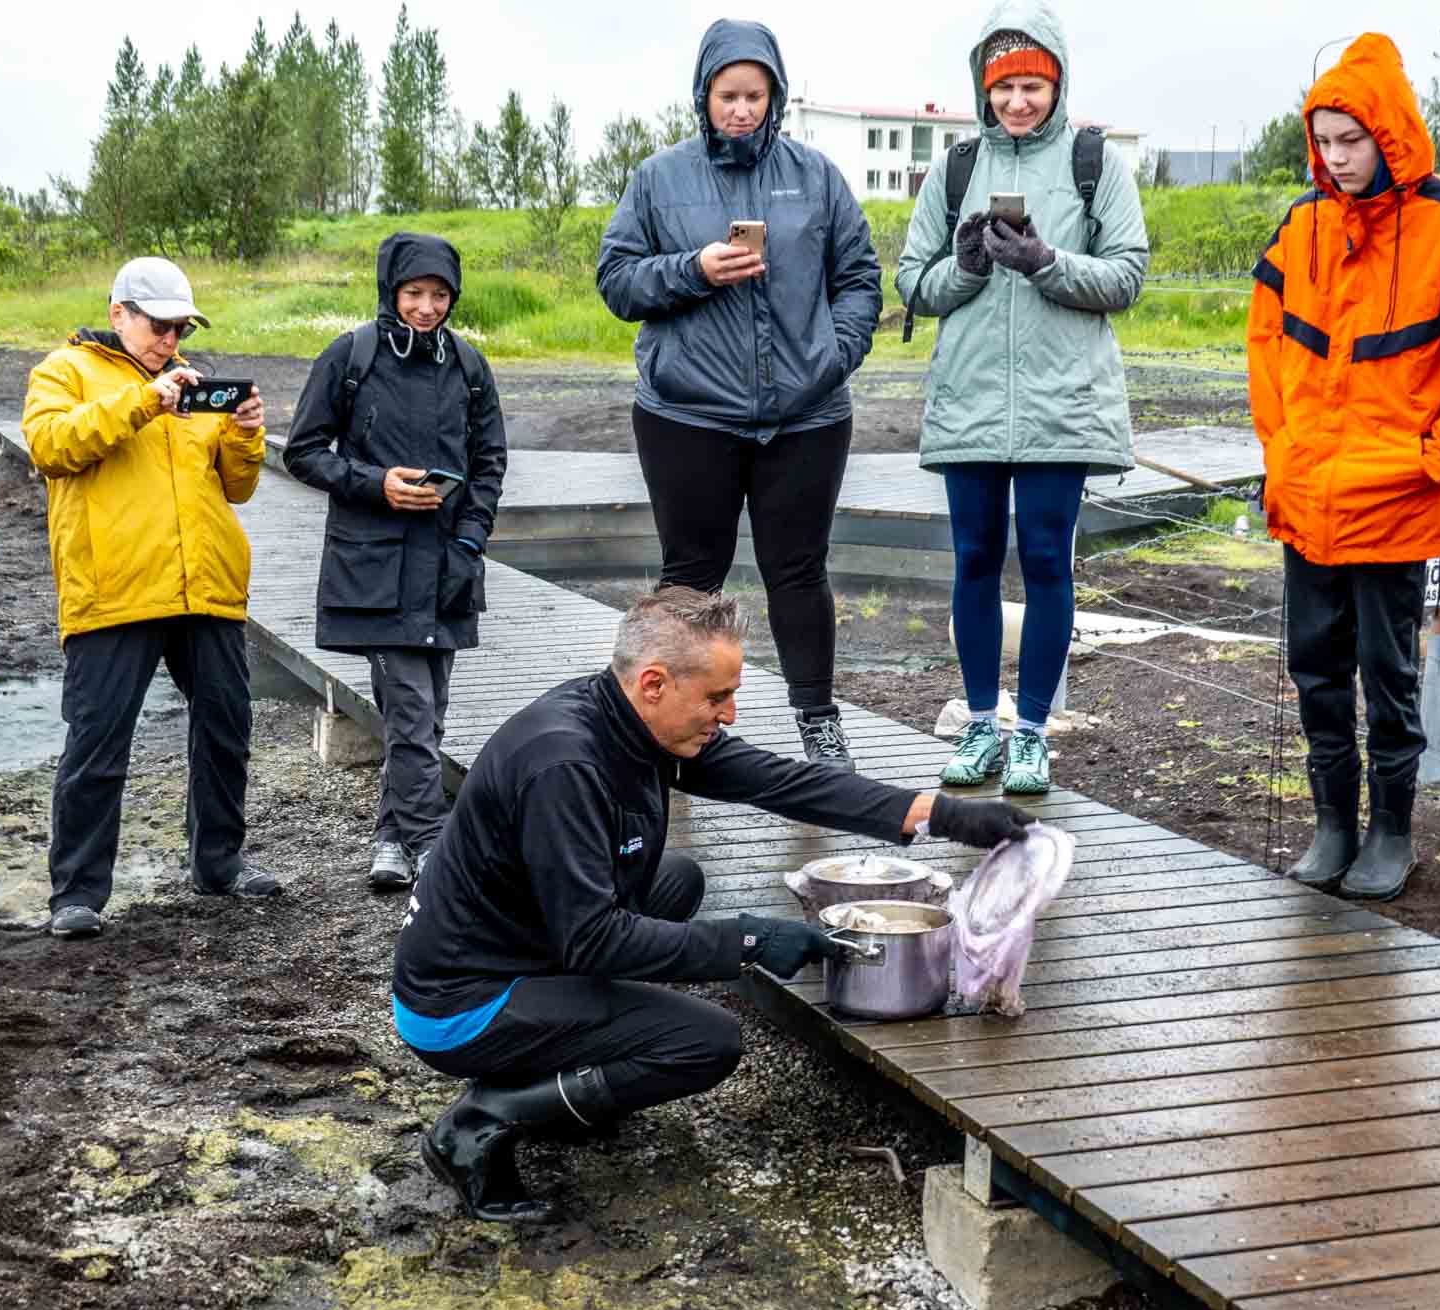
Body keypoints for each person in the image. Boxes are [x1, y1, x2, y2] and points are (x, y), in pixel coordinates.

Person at [394, 587, 1036, 1224]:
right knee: (705, 1041)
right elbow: (593, 942)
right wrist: (749, 941)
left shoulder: (629, 721)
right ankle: (479, 1122)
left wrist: (941, 815)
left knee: (674, 879)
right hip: (461, 1005)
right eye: (717, 697)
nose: (728, 715)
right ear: (654, 684)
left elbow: (782, 781)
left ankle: (562, 1081)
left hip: (520, 945)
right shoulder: (564, 766)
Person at [1248, 34, 1440, 903]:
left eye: (1351, 141)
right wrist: (1281, 453)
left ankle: (1390, 833)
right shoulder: (1302, 224)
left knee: (1387, 670)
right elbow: (1264, 350)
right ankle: (1332, 824)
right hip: (1308, 496)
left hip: (1398, 498)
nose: (1336, 158)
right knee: (1314, 667)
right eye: (1323, 142)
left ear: (1390, 132)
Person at [597, 18, 883, 771]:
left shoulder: (816, 176)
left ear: (777, 97)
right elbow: (618, 281)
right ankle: (663, 730)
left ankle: (818, 722)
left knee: (799, 571)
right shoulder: (659, 178)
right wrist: (693, 268)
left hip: (805, 416)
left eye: (756, 95)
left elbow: (859, 278)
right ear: (704, 96)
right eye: (729, 95)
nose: (742, 110)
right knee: (690, 578)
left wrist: (833, 356)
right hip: (688, 415)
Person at [895, 3, 1149, 797]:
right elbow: (913, 282)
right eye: (1005, 87)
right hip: (971, 399)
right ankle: (979, 724)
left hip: (1059, 403)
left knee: (1045, 560)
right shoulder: (956, 167)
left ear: (1058, 82)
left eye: (1033, 85)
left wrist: (1044, 260)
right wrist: (966, 266)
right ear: (983, 87)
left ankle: (1032, 734)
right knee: (973, 560)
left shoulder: (1093, 163)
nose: (1018, 102)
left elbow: (1126, 275)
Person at [22, 257, 279, 940]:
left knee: (226, 725)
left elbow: (237, 486)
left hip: (206, 588)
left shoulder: (193, 386)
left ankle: (219, 862)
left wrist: (245, 432)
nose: (170, 339)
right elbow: (51, 444)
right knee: (99, 742)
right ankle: (76, 892)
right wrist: (144, 401)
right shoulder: (64, 372)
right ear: (118, 314)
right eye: (159, 325)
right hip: (116, 591)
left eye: (180, 327)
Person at [283, 233, 507, 892]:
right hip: (374, 569)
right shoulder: (350, 356)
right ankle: (435, 848)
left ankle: (388, 838)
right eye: (415, 293)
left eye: (440, 295)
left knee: (426, 713)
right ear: (391, 291)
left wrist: (470, 538)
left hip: (448, 568)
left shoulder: (469, 366)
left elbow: (490, 462)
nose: (428, 307)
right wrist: (376, 483)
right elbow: (302, 450)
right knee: (410, 711)